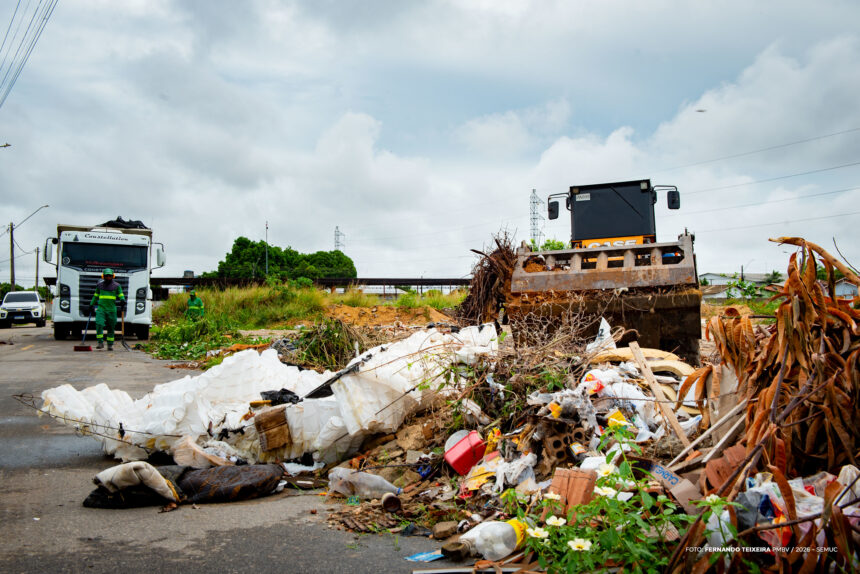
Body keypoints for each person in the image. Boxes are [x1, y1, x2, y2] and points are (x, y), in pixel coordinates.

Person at [89, 268, 125, 350]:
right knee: (99, 324)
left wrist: (122, 300)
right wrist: (91, 304)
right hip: (101, 309)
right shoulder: (99, 286)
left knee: (111, 327)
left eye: (110, 276)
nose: (108, 277)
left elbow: (120, 294)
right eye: (106, 276)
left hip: (112, 310)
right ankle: (100, 342)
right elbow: (95, 296)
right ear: (103, 276)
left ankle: (110, 345)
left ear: (113, 276)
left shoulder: (117, 286)